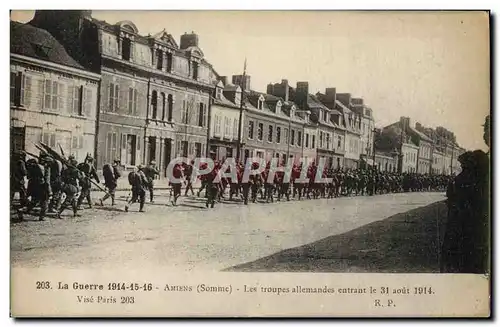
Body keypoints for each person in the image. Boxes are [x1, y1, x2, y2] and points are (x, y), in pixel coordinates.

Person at [24, 153, 52, 221]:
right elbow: (47, 181)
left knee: (35, 201)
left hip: (34, 186)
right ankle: (41, 217)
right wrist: (49, 191)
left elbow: (28, 177)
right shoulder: (46, 168)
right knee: (45, 202)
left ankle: (23, 210)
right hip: (43, 187)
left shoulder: (34, 167)